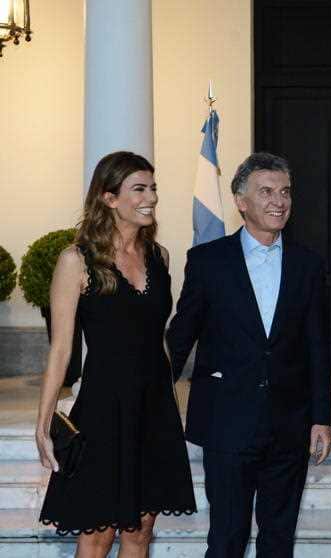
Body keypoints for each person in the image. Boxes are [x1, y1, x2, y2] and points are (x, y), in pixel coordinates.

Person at [166, 152, 331, 558]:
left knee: (278, 541)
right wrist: (150, 392)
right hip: (225, 421)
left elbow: (317, 346)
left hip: (289, 425)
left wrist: (322, 418)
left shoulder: (308, 265)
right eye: (266, 192)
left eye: (285, 192)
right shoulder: (208, 262)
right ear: (241, 202)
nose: (279, 201)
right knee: (226, 538)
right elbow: (180, 338)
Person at [37, 151, 197, 556]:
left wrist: (170, 404)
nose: (151, 198)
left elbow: (158, 337)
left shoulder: (159, 258)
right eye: (139, 189)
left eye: (153, 188)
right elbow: (61, 348)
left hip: (154, 409)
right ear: (109, 198)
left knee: (140, 532)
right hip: (103, 409)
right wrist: (44, 424)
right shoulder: (77, 261)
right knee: (97, 534)